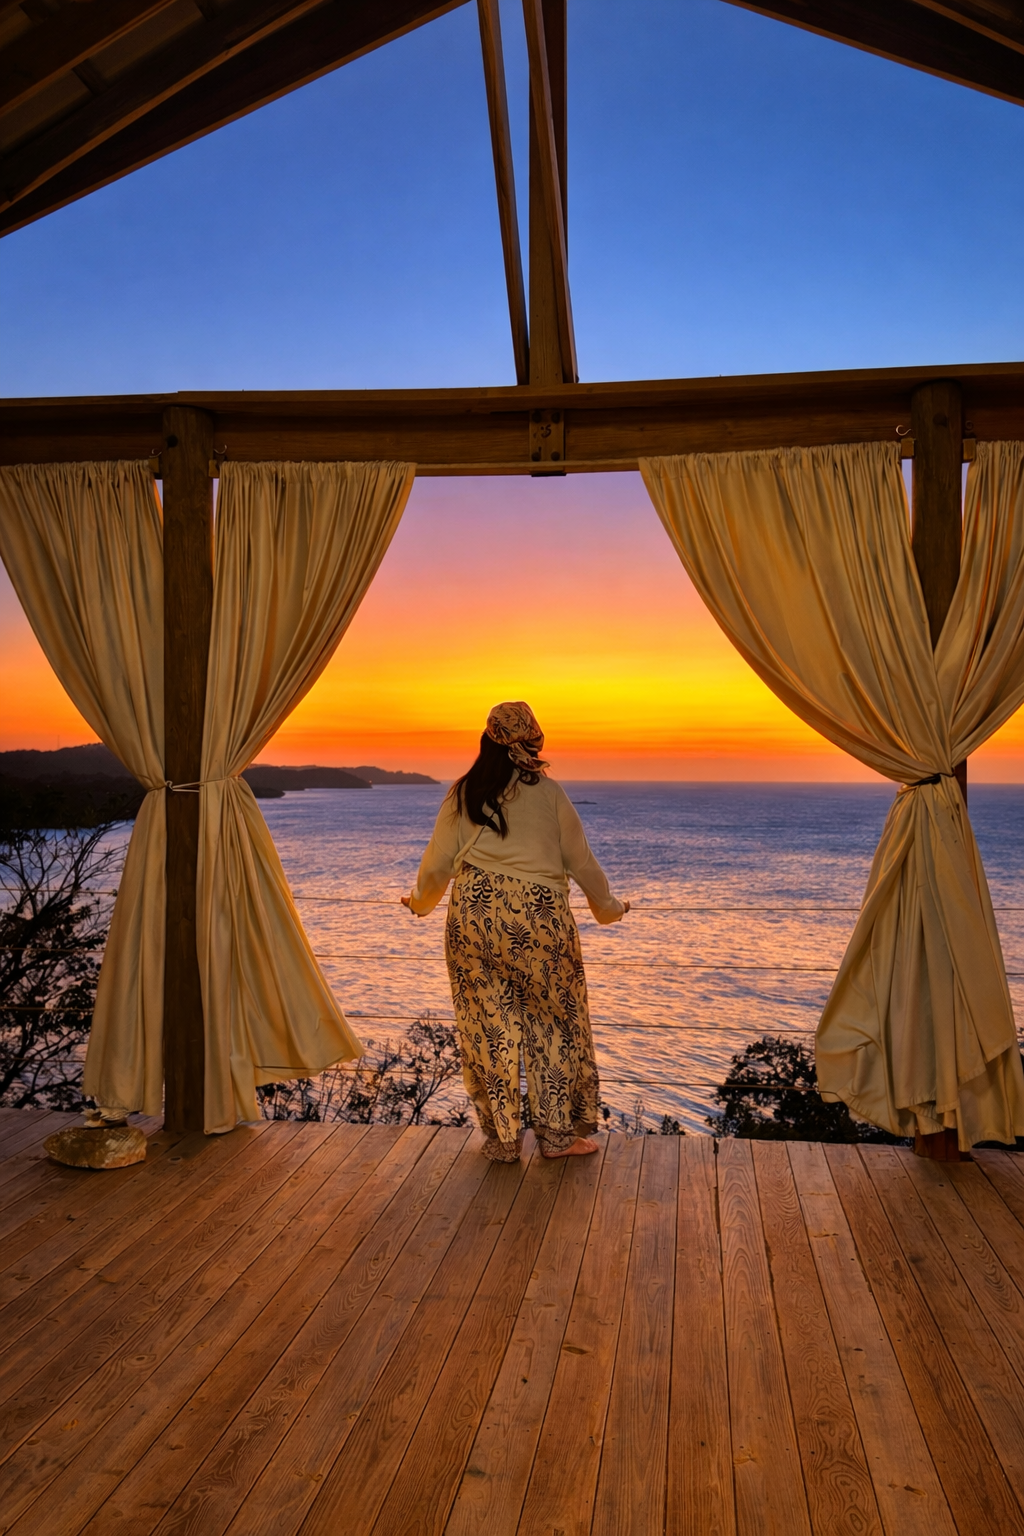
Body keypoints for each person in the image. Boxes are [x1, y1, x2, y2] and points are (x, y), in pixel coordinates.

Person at [402, 701, 629, 1163]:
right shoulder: (549, 793)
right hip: (539, 920)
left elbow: (438, 862)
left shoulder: (463, 792)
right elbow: (581, 862)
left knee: (488, 1028)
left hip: (474, 916)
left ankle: (502, 1140)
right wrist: (609, 908)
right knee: (552, 1026)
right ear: (533, 741)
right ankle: (557, 1138)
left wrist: (421, 902)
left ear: (486, 741)